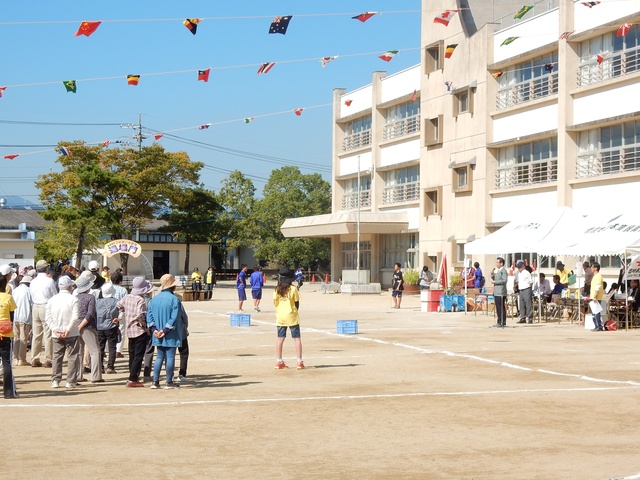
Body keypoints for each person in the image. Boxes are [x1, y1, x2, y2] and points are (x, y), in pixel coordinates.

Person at [147, 274, 183, 389]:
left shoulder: (154, 300)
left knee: (159, 356)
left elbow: (149, 317)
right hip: (170, 333)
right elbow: (175, 318)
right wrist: (165, 330)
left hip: (157, 333)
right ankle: (168, 381)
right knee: (170, 357)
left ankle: (155, 381)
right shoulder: (174, 299)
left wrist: (155, 330)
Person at [46, 276, 81, 389]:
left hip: (56, 332)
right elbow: (75, 317)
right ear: (69, 286)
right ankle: (70, 381)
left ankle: (55, 380)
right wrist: (68, 329)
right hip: (71, 332)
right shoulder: (73, 299)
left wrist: (55, 329)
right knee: (72, 357)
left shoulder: (52, 299)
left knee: (57, 357)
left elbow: (48, 318)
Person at [117, 276, 152, 388]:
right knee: (138, 355)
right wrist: (145, 326)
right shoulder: (140, 300)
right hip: (139, 329)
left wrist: (124, 313)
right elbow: (140, 315)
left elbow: (119, 305)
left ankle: (132, 375)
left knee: (132, 354)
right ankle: (133, 378)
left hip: (129, 329)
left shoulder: (127, 297)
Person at [74, 271, 103, 383]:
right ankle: (96, 376)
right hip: (88, 326)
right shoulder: (91, 297)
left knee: (79, 351)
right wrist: (82, 325)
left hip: (76, 326)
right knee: (95, 351)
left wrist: (78, 326)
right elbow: (90, 314)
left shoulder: (75, 297)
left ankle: (78, 375)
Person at [29, 259, 57, 368]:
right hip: (46, 306)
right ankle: (48, 359)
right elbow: (54, 296)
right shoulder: (49, 281)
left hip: (35, 306)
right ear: (46, 269)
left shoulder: (33, 281)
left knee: (36, 334)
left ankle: (35, 358)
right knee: (48, 334)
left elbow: (31, 295)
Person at [273, 267, 303, 370]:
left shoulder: (276, 290)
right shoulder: (293, 289)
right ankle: (299, 361)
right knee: (297, 338)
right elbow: (296, 303)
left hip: (281, 316)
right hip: (292, 316)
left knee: (280, 338)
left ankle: (279, 360)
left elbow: (275, 303)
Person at [0, 275, 18, 399]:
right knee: (7, 363)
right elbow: (12, 317)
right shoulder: (8, 297)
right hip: (5, 333)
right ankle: (8, 392)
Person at [97, 283, 120, 375]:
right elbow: (121, 311)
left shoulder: (98, 301)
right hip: (111, 326)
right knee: (112, 347)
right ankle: (110, 366)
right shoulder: (116, 301)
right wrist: (118, 318)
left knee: (100, 347)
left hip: (99, 327)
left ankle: (100, 366)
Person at [12, 275, 33, 366]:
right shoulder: (29, 291)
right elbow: (32, 304)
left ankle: (15, 358)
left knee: (16, 338)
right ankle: (22, 359)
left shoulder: (15, 290)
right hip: (25, 317)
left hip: (15, 317)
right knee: (23, 338)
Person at [110, 271, 128, 359]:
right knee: (121, 331)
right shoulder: (123, 290)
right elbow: (125, 302)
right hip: (120, 312)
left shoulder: (108, 288)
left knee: (109, 331)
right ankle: (118, 351)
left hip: (109, 312)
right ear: (120, 281)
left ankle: (109, 349)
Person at [491, 257, 508, 328]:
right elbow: (496, 278)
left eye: (498, 262)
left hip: (501, 292)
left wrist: (495, 282)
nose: (496, 264)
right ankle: (499, 320)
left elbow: (504, 280)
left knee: (501, 307)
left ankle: (502, 321)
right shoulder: (498, 271)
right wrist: (492, 275)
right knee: (498, 308)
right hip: (496, 292)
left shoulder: (503, 271)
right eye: (496, 262)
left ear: (501, 263)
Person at [587, 262, 604, 331]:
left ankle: (599, 326)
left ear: (596, 268)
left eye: (592, 267)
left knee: (596, 312)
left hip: (596, 297)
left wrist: (595, 296)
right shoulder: (595, 276)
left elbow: (598, 286)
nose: (591, 268)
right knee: (594, 312)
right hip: (593, 297)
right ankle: (596, 325)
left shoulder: (598, 276)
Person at [177, 302, 189, 383]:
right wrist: (185, 327)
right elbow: (184, 317)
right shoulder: (176, 301)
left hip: (162, 331)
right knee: (184, 353)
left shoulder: (155, 300)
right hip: (179, 331)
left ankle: (157, 378)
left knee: (164, 354)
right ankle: (182, 374)